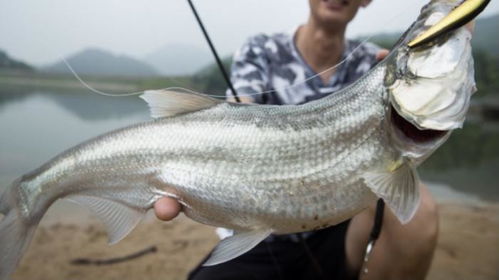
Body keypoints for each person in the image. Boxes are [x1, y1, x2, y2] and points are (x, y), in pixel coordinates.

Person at [155, 0, 438, 279]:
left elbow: (395, 154)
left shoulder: (374, 65)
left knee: (418, 213)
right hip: (261, 233)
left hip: (342, 228)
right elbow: (240, 113)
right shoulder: (261, 51)